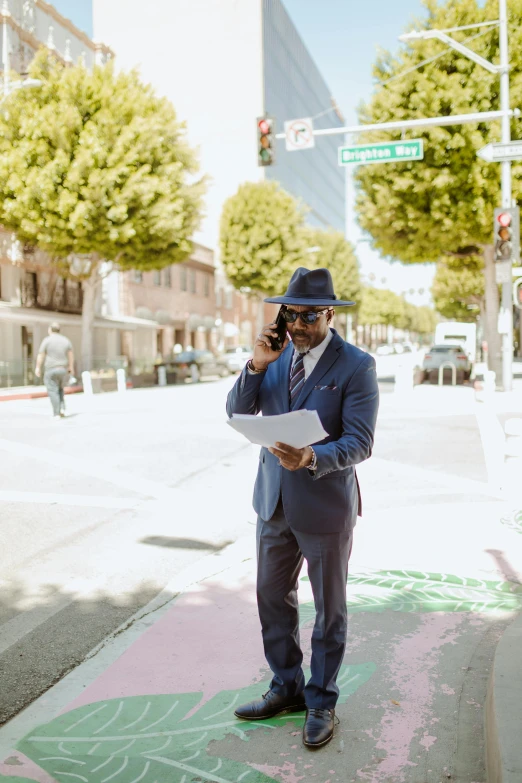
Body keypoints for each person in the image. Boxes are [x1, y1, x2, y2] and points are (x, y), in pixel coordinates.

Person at [226, 267, 379, 749]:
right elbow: (236, 410)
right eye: (290, 313)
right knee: (272, 598)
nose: (297, 324)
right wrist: (255, 364)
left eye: (308, 316)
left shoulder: (356, 365)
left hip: (325, 504)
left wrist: (312, 456)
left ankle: (322, 700)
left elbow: (361, 441)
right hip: (272, 502)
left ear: (329, 314)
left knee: (329, 610)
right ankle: (286, 685)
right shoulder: (273, 357)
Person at [35, 322, 75, 418]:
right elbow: (70, 354)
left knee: (53, 390)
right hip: (62, 369)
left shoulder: (47, 340)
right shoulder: (65, 340)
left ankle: (56, 412)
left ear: (50, 329)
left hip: (51, 369)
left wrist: (38, 367)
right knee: (60, 389)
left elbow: (41, 354)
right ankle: (62, 408)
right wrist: (71, 367)